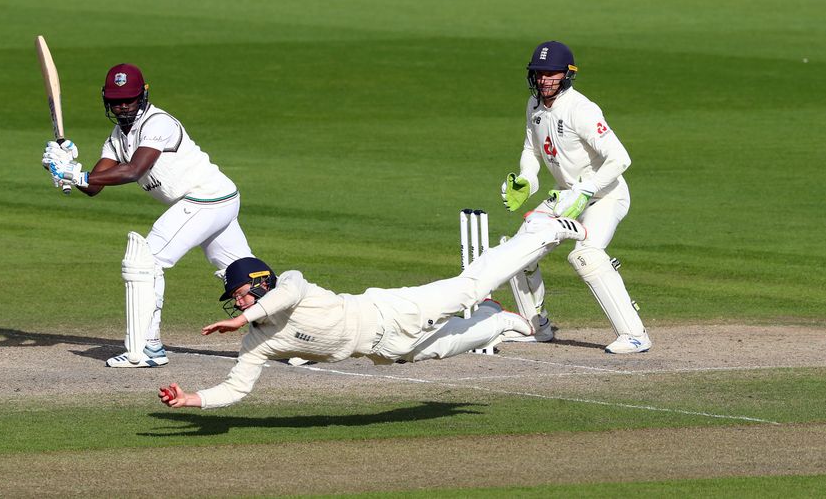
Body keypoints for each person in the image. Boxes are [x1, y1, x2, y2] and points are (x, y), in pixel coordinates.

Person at [157, 212, 587, 409]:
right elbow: (236, 389)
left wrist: (240, 318)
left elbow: (283, 297)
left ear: (259, 283)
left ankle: (539, 232)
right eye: (235, 301)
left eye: (240, 295)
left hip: (391, 312)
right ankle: (502, 320)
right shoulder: (258, 341)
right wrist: (193, 399)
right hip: (385, 351)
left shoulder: (291, 283)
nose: (238, 303)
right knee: (451, 345)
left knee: (469, 286)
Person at [43, 63, 254, 368]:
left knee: (146, 260)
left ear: (143, 95)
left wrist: (77, 174)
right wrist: (65, 168)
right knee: (244, 273)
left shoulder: (158, 123)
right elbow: (93, 187)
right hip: (213, 200)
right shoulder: (117, 137)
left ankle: (148, 348)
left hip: (205, 198)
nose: (123, 106)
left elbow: (134, 170)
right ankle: (300, 336)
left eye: (129, 99)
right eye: (116, 100)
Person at [499, 41, 650, 354]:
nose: (544, 80)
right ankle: (536, 327)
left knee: (586, 255)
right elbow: (531, 149)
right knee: (517, 251)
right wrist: (527, 178)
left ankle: (635, 335)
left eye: (551, 73)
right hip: (566, 197)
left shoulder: (581, 109)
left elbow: (620, 158)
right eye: (539, 73)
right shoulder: (534, 106)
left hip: (605, 197)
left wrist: (587, 189)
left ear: (567, 75)